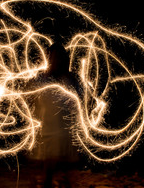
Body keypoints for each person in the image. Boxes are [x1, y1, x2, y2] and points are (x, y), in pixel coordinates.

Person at [28, 42, 81, 188]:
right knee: (48, 174)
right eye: (53, 57)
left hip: (65, 133)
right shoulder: (41, 80)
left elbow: (80, 102)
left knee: (65, 175)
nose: (57, 61)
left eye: (60, 57)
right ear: (49, 59)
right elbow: (30, 99)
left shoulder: (71, 80)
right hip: (48, 131)